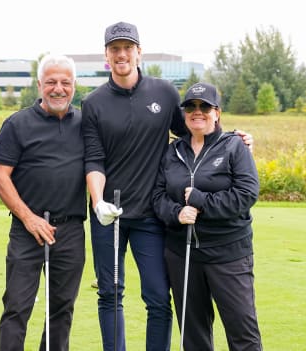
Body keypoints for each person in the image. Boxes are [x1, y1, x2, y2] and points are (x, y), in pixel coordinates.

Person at [82, 22, 254, 351]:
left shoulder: (163, 93)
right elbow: (94, 158)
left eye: (127, 48)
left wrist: (234, 138)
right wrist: (97, 201)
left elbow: (195, 131)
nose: (121, 54)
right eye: (115, 49)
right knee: (110, 293)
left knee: (159, 297)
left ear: (138, 52)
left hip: (151, 214)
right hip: (109, 217)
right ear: (106, 55)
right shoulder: (93, 103)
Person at [152, 82, 262, 350]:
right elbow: (157, 196)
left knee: (242, 333)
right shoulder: (172, 151)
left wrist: (202, 201)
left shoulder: (234, 146)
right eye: (190, 106)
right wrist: (176, 213)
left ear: (217, 112)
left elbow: (246, 194)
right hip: (183, 255)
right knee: (194, 337)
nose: (197, 111)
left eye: (205, 106)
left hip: (229, 254)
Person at [0, 54, 86, 351]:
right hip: (27, 229)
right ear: (39, 85)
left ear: (74, 85)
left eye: (65, 82)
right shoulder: (18, 123)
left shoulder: (86, 122)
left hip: (69, 230)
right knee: (17, 306)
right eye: (51, 82)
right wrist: (28, 217)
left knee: (61, 308)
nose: (58, 89)